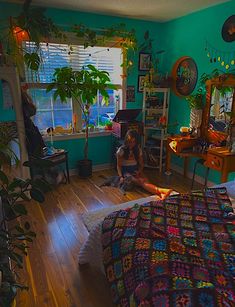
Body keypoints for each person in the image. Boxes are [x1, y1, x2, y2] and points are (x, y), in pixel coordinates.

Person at [116, 129, 172, 200]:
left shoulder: (137, 149)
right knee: (140, 182)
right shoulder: (121, 150)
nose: (131, 144)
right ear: (126, 140)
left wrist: (139, 171)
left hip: (135, 169)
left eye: (133, 142)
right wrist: (121, 176)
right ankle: (162, 191)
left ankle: (161, 194)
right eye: (130, 142)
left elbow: (141, 164)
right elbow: (118, 166)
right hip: (126, 171)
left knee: (146, 181)